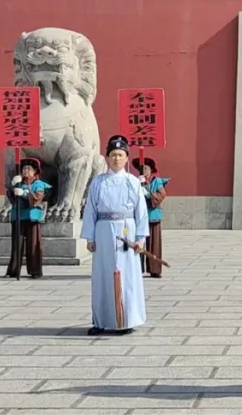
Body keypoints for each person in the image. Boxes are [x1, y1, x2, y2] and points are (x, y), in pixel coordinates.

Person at [80, 135, 149, 335]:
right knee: (103, 275)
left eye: (120, 155)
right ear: (107, 158)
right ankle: (101, 320)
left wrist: (141, 238)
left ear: (127, 158)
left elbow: (141, 212)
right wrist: (90, 238)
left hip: (126, 229)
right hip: (103, 230)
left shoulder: (133, 182)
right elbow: (90, 210)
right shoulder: (98, 182)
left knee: (127, 276)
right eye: (113, 155)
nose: (116, 159)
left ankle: (126, 319)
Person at [4, 158, 52, 279]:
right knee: (16, 245)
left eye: (29, 169)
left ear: (35, 171)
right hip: (18, 217)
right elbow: (12, 199)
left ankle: (35, 271)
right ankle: (13, 270)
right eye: (24, 169)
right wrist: (12, 186)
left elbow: (37, 199)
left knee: (33, 245)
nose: (25, 171)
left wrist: (25, 194)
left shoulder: (39, 184)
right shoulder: (19, 183)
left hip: (32, 218)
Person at [133, 157, 170, 278]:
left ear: (151, 169)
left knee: (154, 244)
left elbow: (161, 195)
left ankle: (154, 269)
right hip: (139, 216)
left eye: (146, 168)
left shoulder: (157, 181)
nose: (144, 171)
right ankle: (137, 268)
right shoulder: (135, 181)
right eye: (142, 168)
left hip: (153, 215)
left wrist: (149, 193)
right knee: (138, 243)